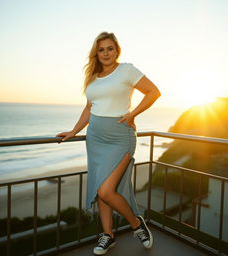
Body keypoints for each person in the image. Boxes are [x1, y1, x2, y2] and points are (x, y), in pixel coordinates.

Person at [56, 32, 161, 255]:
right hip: (95, 139)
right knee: (101, 189)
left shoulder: (127, 70)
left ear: (117, 50)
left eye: (110, 48)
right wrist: (74, 130)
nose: (105, 53)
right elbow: (89, 107)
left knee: (106, 190)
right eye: (101, 49)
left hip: (119, 137)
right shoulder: (93, 77)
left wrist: (133, 114)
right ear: (97, 52)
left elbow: (153, 92)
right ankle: (108, 235)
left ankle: (136, 224)